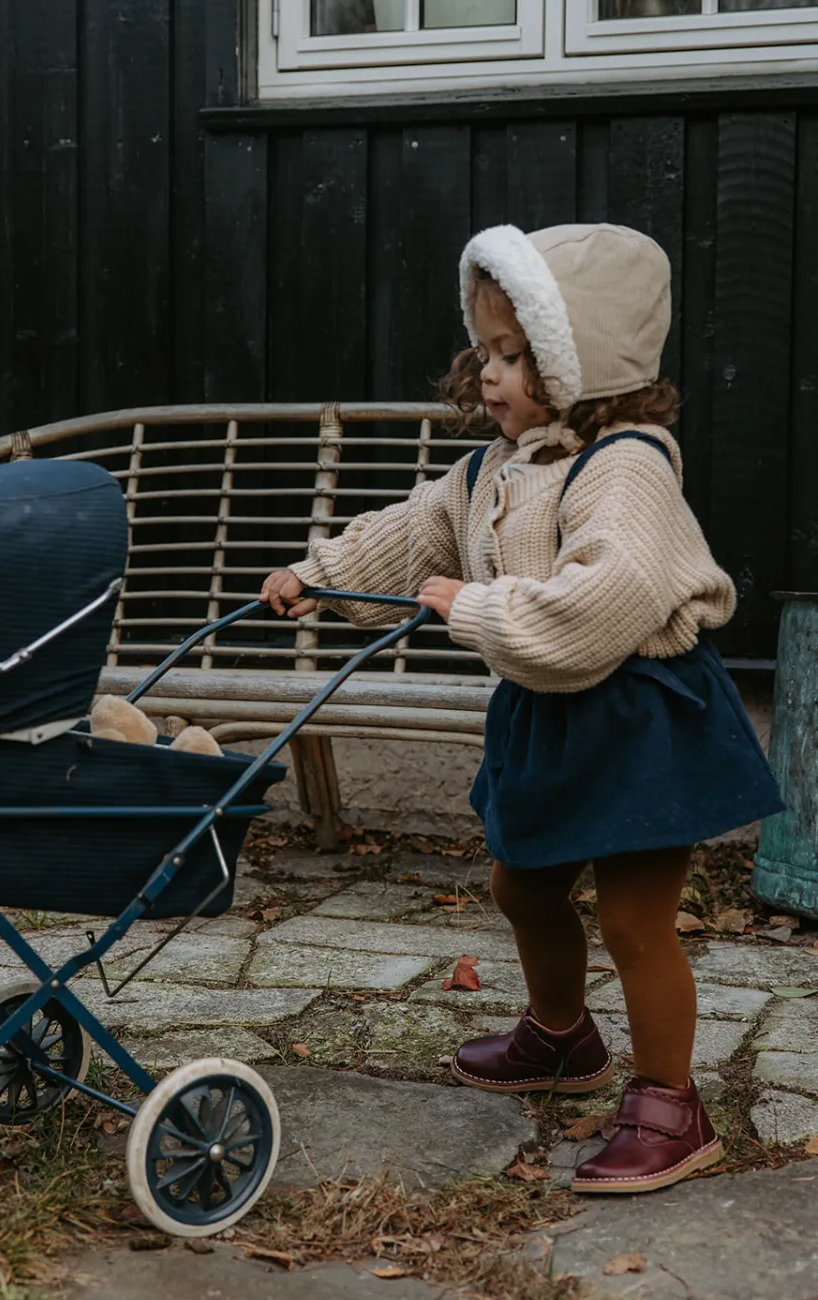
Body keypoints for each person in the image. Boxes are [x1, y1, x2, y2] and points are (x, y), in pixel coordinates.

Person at [261, 222, 783, 1194]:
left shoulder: (626, 466)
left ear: (582, 360)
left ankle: (671, 1104)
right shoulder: (497, 467)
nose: (490, 375)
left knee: (634, 921)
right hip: (548, 712)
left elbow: (604, 601)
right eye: (487, 352)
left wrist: (478, 606)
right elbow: (411, 529)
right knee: (522, 884)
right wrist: (318, 572)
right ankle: (558, 1036)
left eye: (516, 355)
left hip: (637, 717)